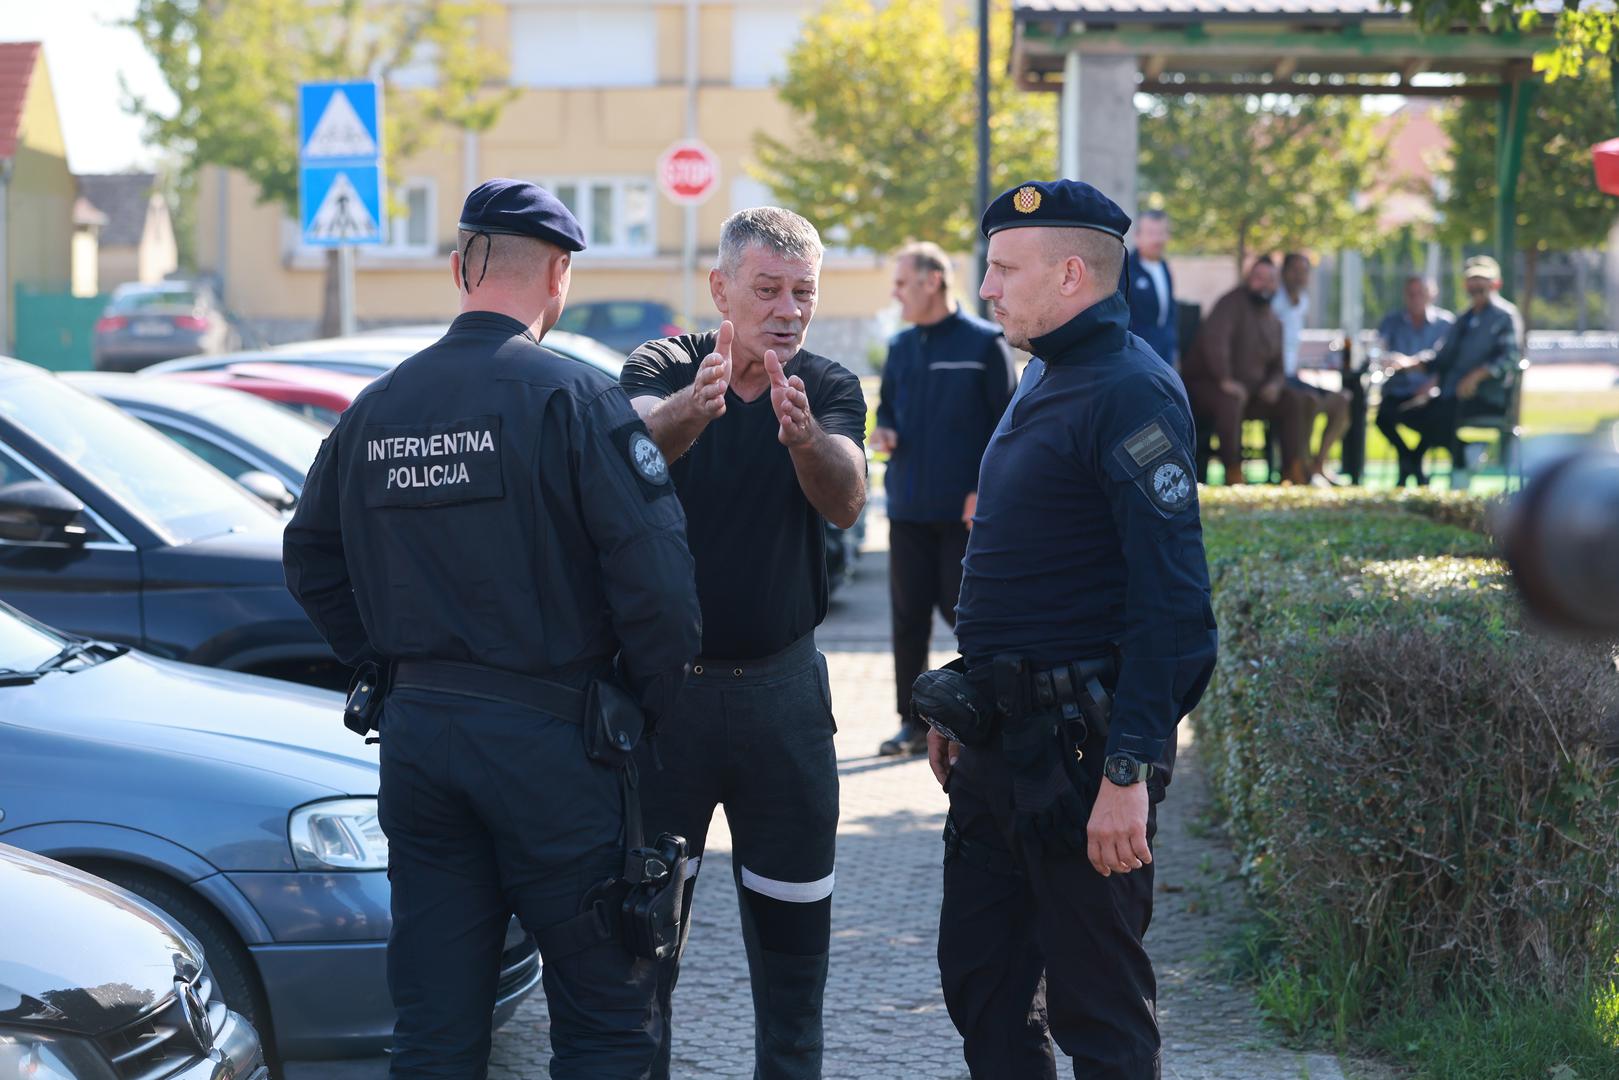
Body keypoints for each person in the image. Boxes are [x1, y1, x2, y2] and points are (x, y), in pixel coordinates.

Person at [283, 179, 703, 1079]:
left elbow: (309, 556)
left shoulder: (375, 409)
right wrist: (639, 708)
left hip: (423, 745)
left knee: (434, 1028)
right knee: (603, 1020)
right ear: (557, 277)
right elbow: (660, 589)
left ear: (458, 267)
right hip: (558, 745)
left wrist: (385, 668)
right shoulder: (574, 400)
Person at [929, 179, 1218, 1079]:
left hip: (1083, 763)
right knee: (983, 988)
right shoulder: (1047, 371)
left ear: (1068, 274)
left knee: (1100, 1014)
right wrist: (963, 700)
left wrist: (1129, 773)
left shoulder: (1130, 391)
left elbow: (1173, 605)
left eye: (1002, 270)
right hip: (998, 748)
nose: (985, 289)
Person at [621, 206, 868, 1080]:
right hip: (664, 712)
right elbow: (635, 452)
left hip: (783, 710)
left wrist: (803, 440)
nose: (788, 309)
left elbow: (844, 497)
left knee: (795, 986)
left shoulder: (827, 384)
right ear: (720, 288)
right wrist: (697, 408)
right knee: (637, 979)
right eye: (767, 289)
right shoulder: (661, 365)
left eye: (803, 292)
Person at [871, 241, 1016, 758]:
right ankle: (911, 726)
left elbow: (1007, 425)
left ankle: (986, 715)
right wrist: (884, 431)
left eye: (902, 282)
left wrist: (985, 492)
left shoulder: (984, 343)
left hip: (965, 514)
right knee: (907, 619)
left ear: (933, 281)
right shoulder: (901, 346)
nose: (895, 293)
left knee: (969, 619)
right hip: (908, 506)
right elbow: (887, 410)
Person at [1180, 257, 1311, 484]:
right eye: (1258, 278)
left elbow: (1278, 367)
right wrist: (1225, 378)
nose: (1264, 284)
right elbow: (1215, 342)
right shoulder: (1230, 304)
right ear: (1249, 279)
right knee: (1230, 400)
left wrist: (1274, 385)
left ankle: (1293, 471)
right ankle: (1233, 472)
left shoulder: (1274, 320)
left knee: (1293, 400)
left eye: (1270, 280)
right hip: (1209, 387)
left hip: (1252, 392)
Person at [1402, 255, 1524, 490]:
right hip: (1452, 395)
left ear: (1495, 284)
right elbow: (1442, 357)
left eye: (1483, 280)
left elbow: (1510, 357)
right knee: (1400, 412)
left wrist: (1477, 375)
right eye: (1473, 280)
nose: (1477, 286)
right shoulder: (1463, 318)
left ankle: (1429, 465)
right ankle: (1465, 451)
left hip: (1486, 396)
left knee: (1436, 415)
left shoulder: (1505, 316)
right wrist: (1410, 363)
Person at [1273, 253, 1352, 484]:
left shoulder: (1303, 301)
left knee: (1343, 400)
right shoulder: (1272, 302)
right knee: (1308, 401)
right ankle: (1301, 468)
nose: (1300, 276)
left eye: (1304, 271)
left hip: (1294, 375)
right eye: (1295, 271)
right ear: (1284, 273)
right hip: (1277, 378)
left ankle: (1319, 464)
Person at [1374, 276, 1455, 486]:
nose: (1415, 298)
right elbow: (1379, 351)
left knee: (1436, 417)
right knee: (1383, 417)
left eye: (1421, 293)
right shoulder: (1391, 322)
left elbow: (1447, 362)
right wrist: (1390, 360)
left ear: (1431, 295)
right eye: (1411, 293)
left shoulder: (1446, 324)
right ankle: (1410, 460)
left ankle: (1412, 461)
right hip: (1397, 389)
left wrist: (1432, 384)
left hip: (1429, 392)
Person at [1125, 210, 1178, 369]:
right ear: (1137, 236)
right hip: (1137, 357)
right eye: (1151, 233)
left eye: (1161, 233)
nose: (1157, 239)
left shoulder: (1164, 267)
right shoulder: (1125, 270)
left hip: (1165, 353)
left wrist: (1173, 345)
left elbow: (1169, 310)